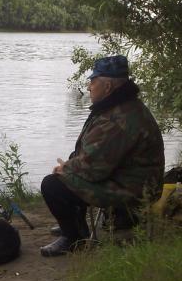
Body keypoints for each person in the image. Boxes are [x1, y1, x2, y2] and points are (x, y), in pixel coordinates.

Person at [40, 55, 165, 257]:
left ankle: (74, 239)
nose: (89, 87)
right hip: (130, 180)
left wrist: (66, 169)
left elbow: (92, 170)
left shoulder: (118, 118)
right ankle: (75, 223)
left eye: (93, 81)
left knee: (53, 185)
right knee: (71, 173)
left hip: (135, 191)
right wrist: (73, 163)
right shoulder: (120, 106)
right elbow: (92, 154)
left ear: (107, 87)